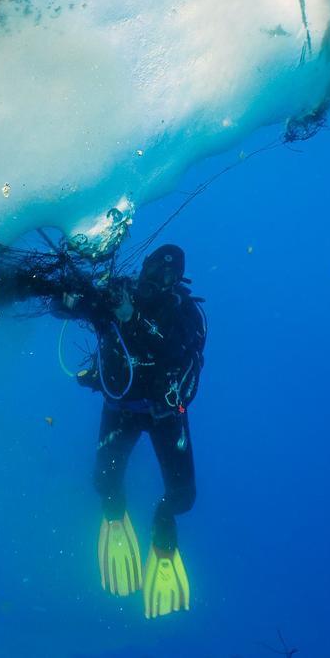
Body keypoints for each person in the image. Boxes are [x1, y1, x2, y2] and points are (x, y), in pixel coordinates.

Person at [59, 244, 206, 618]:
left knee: (183, 497)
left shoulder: (187, 313)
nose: (160, 281)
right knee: (104, 484)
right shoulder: (117, 294)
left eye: (169, 276)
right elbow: (66, 308)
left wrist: (131, 318)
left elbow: (171, 351)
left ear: (178, 280)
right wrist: (70, 298)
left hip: (165, 414)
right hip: (121, 409)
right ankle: (115, 515)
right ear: (143, 269)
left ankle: (161, 527)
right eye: (156, 271)